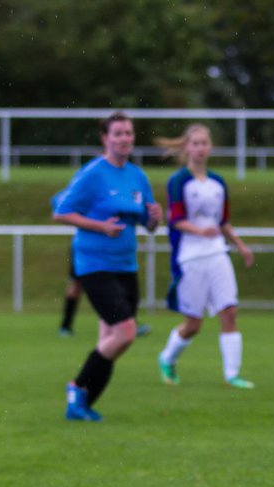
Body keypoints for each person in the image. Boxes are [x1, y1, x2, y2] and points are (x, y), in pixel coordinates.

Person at [53, 111, 162, 421]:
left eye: (128, 133)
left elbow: (148, 223)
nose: (124, 139)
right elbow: (61, 213)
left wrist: (154, 218)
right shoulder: (92, 174)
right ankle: (77, 388)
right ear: (105, 139)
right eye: (117, 134)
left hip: (126, 265)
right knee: (126, 332)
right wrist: (100, 226)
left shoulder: (137, 176)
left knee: (112, 340)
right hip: (94, 263)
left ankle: (83, 404)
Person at [154, 124, 256, 388]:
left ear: (210, 147)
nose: (200, 148)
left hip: (217, 253)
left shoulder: (217, 182)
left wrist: (240, 245)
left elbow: (222, 221)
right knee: (194, 324)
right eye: (195, 143)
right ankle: (167, 357)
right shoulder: (178, 182)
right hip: (190, 257)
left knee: (230, 312)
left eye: (204, 143)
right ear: (187, 147)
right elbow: (175, 220)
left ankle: (232, 374)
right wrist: (200, 230)